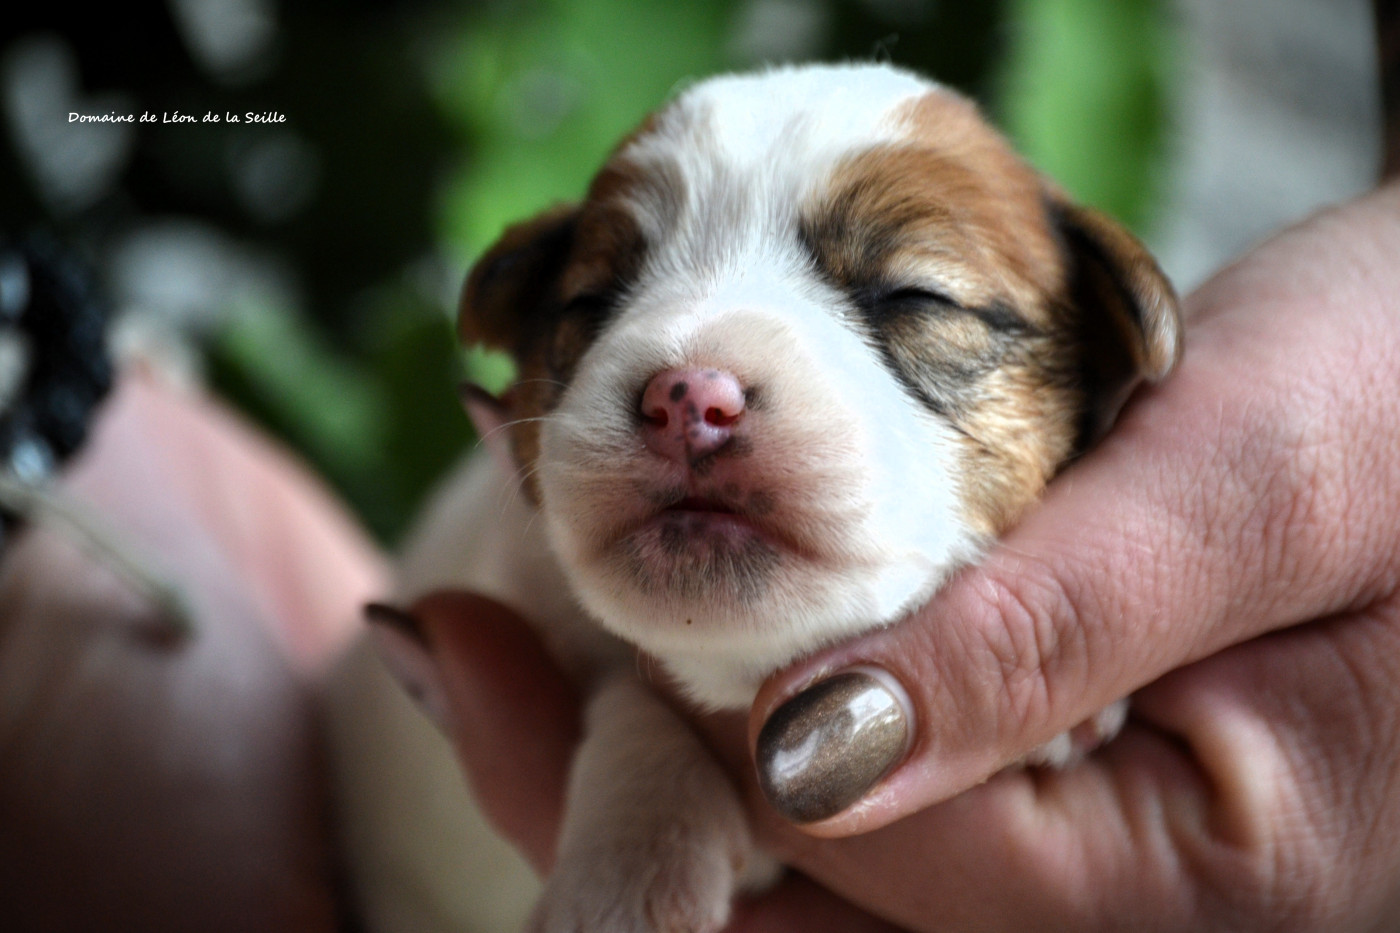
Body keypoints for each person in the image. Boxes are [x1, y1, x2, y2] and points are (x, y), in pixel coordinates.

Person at [387, 50, 1400, 932]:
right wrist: (640, 764)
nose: (688, 391)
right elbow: (624, 674)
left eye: (909, 297)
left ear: (1103, 368)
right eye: (600, 303)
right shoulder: (521, 543)